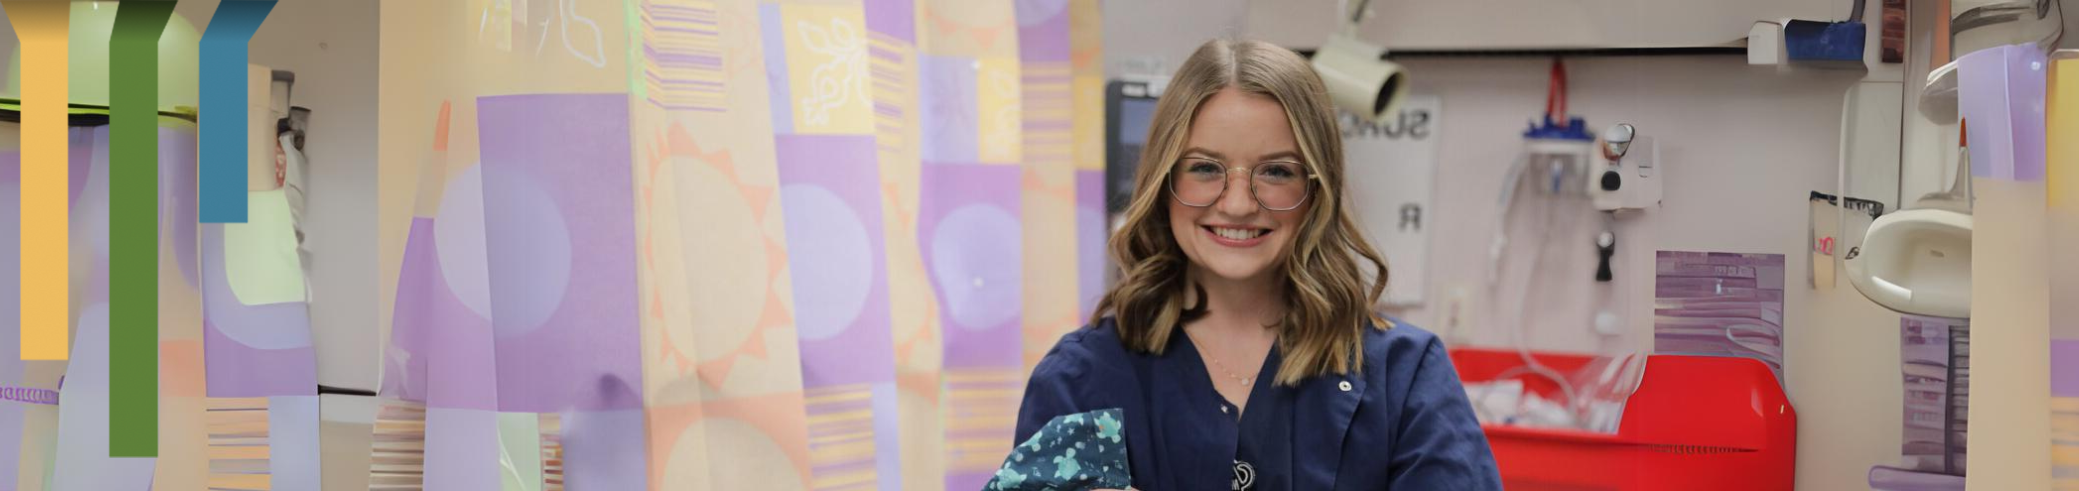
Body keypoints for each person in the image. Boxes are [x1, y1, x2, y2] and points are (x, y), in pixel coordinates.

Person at [1014, 39, 1503, 490]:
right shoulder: (1082, 380)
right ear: (1163, 182)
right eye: (1205, 167)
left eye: (1276, 171)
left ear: (1317, 190)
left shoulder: (1404, 375)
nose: (1239, 204)